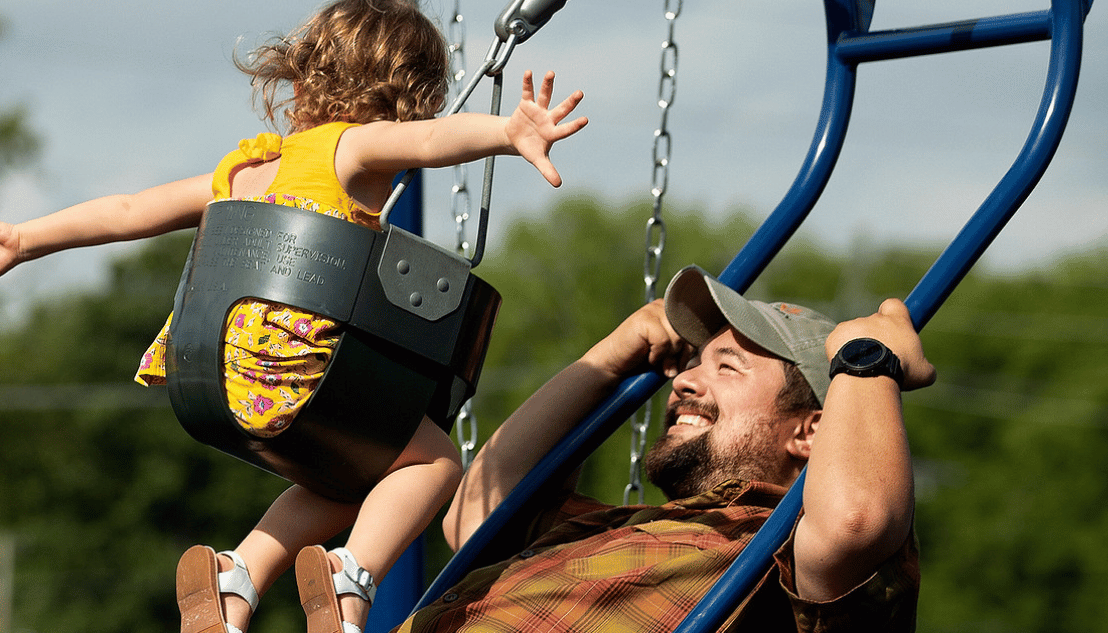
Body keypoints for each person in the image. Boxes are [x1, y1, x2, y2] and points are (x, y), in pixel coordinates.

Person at [0, 0, 587, 633]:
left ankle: (234, 579)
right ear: (406, 96)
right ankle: (350, 575)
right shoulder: (352, 148)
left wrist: (23, 239)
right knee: (433, 459)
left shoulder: (245, 169)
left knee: (349, 478)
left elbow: (131, 210)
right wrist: (507, 132)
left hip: (209, 372)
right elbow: (430, 142)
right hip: (295, 368)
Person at [391, 265, 930, 632]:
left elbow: (856, 521)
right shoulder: (617, 530)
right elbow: (476, 515)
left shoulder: (781, 560)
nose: (686, 381)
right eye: (697, 361)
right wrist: (608, 359)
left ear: (809, 431)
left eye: (728, 367)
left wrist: (866, 362)